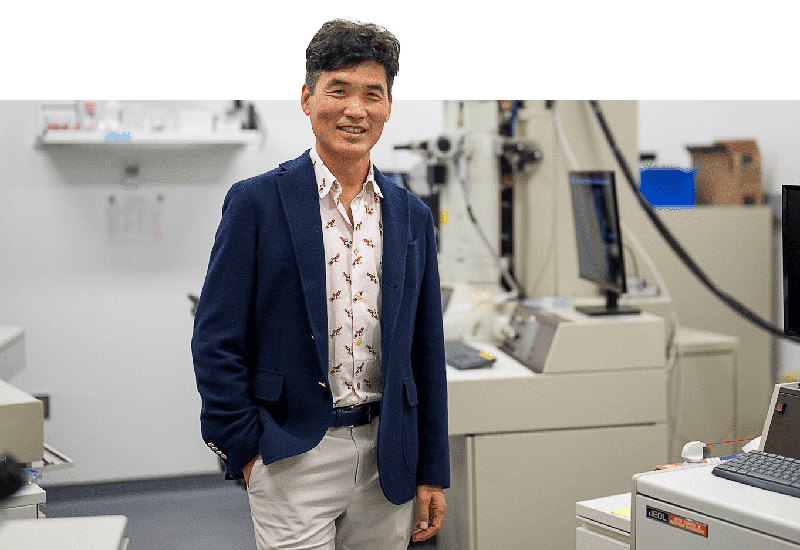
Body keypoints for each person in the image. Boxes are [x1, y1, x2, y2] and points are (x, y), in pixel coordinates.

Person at [192, 16, 449, 550]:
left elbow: (426, 353)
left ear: (388, 108)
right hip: (291, 454)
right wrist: (245, 450)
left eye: (372, 94)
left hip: (389, 456)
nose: (356, 110)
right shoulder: (256, 203)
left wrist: (432, 468)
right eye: (339, 91)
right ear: (307, 98)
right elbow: (215, 340)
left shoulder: (412, 217)